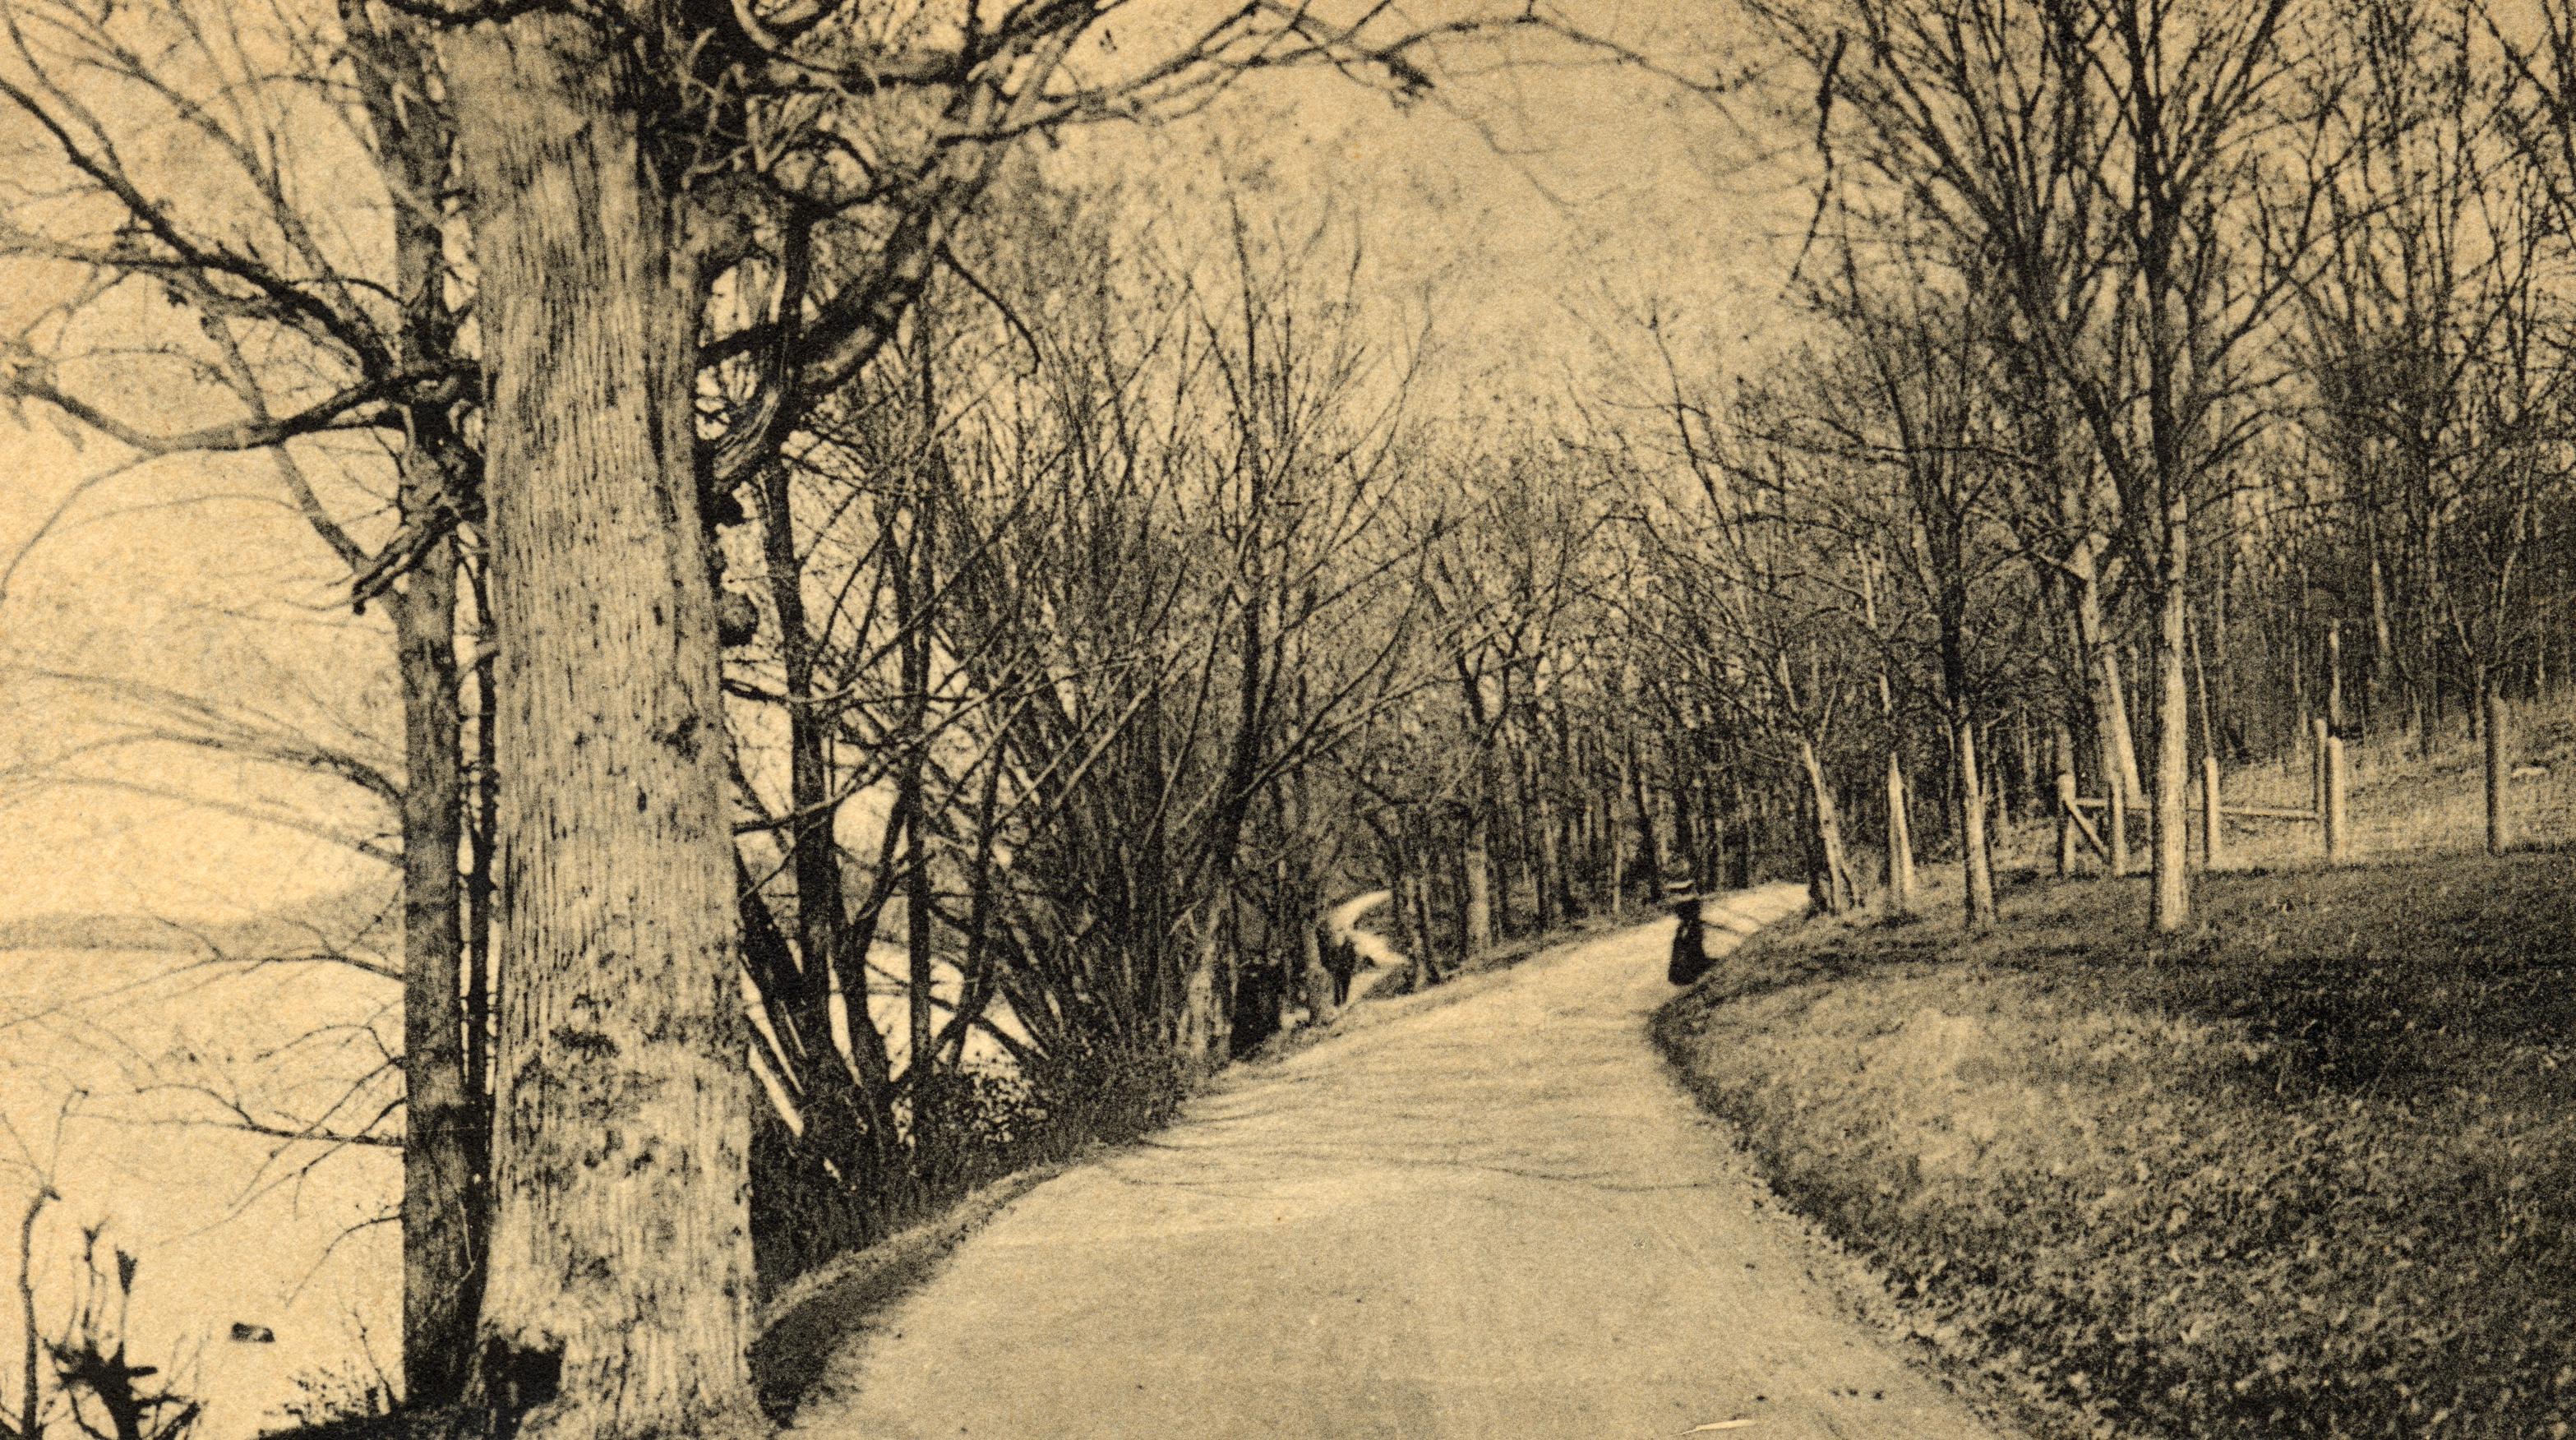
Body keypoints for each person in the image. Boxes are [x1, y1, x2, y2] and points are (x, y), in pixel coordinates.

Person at [1667, 895, 1713, 985]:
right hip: (1687, 971)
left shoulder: (1682, 927)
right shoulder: (1690, 928)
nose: (1699, 911)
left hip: (1679, 971)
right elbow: (1693, 952)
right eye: (1697, 909)